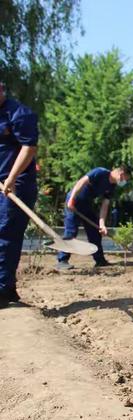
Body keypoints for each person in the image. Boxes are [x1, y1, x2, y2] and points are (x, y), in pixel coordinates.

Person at [0, 82, 39, 309]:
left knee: (5, 234)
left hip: (17, 184)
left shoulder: (20, 114)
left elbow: (29, 148)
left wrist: (11, 178)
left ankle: (3, 292)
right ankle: (9, 288)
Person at [55, 165, 131, 270]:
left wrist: (102, 224)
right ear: (121, 174)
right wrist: (71, 200)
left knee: (95, 231)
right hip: (74, 202)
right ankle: (62, 260)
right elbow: (81, 182)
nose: (125, 182)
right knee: (71, 232)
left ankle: (100, 261)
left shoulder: (112, 186)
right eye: (126, 179)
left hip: (86, 205)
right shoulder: (100, 172)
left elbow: (105, 206)